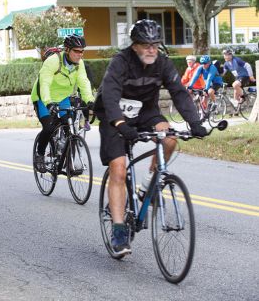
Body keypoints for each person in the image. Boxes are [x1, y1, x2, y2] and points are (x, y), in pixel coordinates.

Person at [94, 19, 207, 257]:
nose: (151, 49)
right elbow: (110, 97)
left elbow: (179, 93)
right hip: (114, 115)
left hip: (145, 111)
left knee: (169, 138)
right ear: (135, 45)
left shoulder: (162, 63)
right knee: (118, 168)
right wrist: (120, 124)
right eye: (146, 45)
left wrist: (195, 122)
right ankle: (118, 231)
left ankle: (147, 188)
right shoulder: (120, 63)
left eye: (155, 44)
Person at [31, 34, 95, 173]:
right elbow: (45, 83)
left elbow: (83, 82)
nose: (80, 54)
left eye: (82, 51)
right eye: (76, 51)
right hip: (43, 97)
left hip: (63, 98)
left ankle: (69, 162)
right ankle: (40, 155)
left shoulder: (79, 64)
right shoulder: (53, 61)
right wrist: (48, 103)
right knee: (48, 127)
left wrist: (90, 100)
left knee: (70, 127)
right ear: (67, 49)